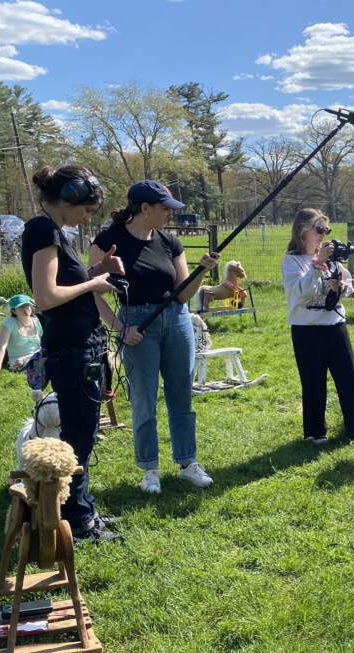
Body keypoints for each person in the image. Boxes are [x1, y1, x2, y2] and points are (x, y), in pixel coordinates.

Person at [90, 180, 217, 493]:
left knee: (181, 397)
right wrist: (120, 328)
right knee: (144, 399)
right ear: (144, 208)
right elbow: (90, 290)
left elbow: (183, 294)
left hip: (177, 320)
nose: (169, 215)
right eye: (164, 208)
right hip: (135, 324)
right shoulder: (108, 241)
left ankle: (188, 463)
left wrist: (202, 270)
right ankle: (150, 470)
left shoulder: (170, 242)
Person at [21, 165, 124, 543]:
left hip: (83, 346)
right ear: (69, 198)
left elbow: (65, 283)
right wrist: (95, 283)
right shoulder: (42, 229)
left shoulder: (54, 233)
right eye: (87, 209)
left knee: (83, 435)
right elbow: (45, 297)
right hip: (72, 349)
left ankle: (83, 510)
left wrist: (98, 270)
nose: (87, 218)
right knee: (78, 439)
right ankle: (77, 521)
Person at [281, 208, 354, 446]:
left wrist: (341, 286)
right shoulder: (292, 261)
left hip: (334, 325)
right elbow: (300, 294)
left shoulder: (332, 259)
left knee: (349, 378)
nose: (323, 235)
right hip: (306, 328)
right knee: (313, 381)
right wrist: (316, 264)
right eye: (319, 229)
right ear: (302, 230)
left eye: (326, 230)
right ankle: (316, 432)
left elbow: (348, 286)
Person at [0, 294, 42, 376]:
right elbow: (1, 347)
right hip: (19, 363)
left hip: (38, 357)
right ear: (14, 311)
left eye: (27, 306)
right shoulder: (9, 323)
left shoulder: (36, 321)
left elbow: (45, 343)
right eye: (21, 307)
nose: (25, 310)